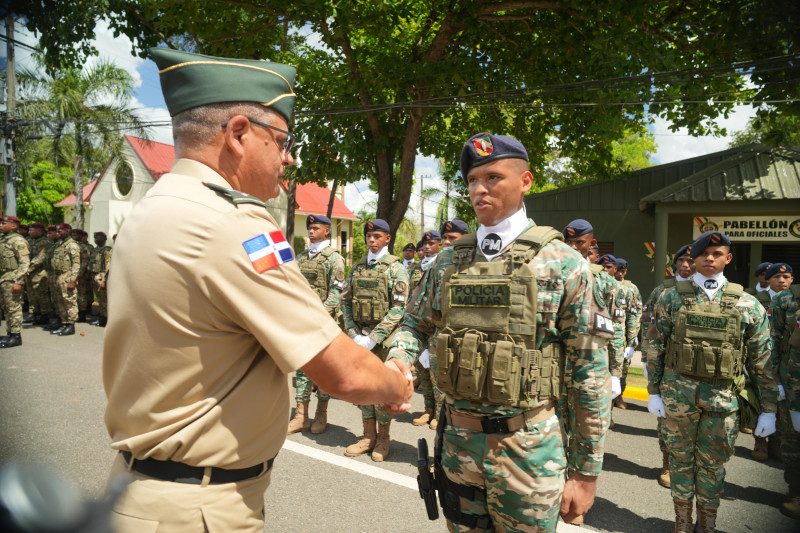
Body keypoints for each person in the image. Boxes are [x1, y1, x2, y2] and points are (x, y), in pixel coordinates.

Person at [102, 48, 413, 533]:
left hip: (140, 493)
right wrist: (397, 383)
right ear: (239, 134)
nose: (288, 158)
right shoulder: (231, 223)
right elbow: (342, 374)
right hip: (196, 509)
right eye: (283, 141)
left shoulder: (152, 209)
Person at [388, 132, 611, 532]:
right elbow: (412, 324)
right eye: (472, 180)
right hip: (458, 447)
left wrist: (586, 470)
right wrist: (398, 359)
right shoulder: (447, 262)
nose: (479, 188)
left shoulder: (563, 263)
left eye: (492, 177)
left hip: (529, 448)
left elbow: (590, 371)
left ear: (525, 181)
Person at [646, 230, 779, 532]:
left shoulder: (748, 305)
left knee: (712, 465)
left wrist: (769, 409)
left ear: (728, 259)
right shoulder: (670, 297)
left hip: (723, 401)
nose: (710, 258)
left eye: (717, 254)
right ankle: (682, 523)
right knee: (680, 461)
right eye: (704, 253)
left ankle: (707, 525)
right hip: (678, 398)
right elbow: (655, 346)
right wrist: (653, 392)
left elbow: (762, 362)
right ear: (692, 258)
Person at [561, 218, 618, 526]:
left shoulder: (604, 280)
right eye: (570, 242)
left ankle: (578, 496)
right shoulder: (555, 272)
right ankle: (560, 489)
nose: (574, 246)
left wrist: (617, 371)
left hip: (589, 368)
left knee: (587, 433)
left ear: (590, 244)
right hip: (558, 368)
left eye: (580, 243)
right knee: (558, 431)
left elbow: (616, 327)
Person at [340, 218, 410, 461]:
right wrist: (353, 334)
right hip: (359, 339)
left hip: (382, 341)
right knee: (363, 389)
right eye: (368, 237)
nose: (371, 240)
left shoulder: (396, 269)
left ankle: (383, 439)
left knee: (380, 391)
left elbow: (398, 310)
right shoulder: (357, 269)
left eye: (377, 237)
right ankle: (367, 436)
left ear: (387, 239)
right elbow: (345, 302)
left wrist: (373, 338)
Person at [640, 244, 694, 489]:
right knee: (668, 423)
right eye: (681, 260)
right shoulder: (663, 291)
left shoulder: (709, 292)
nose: (686, 265)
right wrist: (645, 358)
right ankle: (668, 463)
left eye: (691, 261)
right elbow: (650, 327)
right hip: (672, 370)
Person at [288, 214, 346, 435]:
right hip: (304, 322)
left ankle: (321, 414)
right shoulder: (302, 258)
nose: (311, 231)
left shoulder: (334, 259)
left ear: (327, 232)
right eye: (309, 228)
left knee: (323, 370)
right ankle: (301, 416)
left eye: (316, 228)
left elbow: (336, 292)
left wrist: (319, 315)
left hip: (324, 323)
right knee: (304, 368)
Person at [769, 281, 800, 520]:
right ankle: (796, 493)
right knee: (792, 441)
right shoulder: (785, 299)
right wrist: (776, 381)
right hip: (793, 384)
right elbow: (773, 340)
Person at [409, 230, 442, 429]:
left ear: (439, 246)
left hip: (436, 328)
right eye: (425, 245)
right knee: (424, 373)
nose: (427, 247)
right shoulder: (415, 269)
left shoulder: (443, 266)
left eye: (432, 244)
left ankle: (439, 413)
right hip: (420, 328)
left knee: (437, 376)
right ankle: (428, 409)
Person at [613, 257, 642, 409]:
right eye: (618, 269)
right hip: (605, 336)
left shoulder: (631, 288)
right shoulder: (605, 284)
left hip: (621, 337)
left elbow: (634, 314)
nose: (620, 273)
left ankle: (619, 396)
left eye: (623, 270)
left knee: (623, 368)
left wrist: (632, 339)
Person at [0, 216, 30, 348]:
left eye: (3, 223)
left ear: (13, 226)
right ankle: (10, 333)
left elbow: (25, 264)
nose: (0, 225)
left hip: (12, 278)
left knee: (14, 308)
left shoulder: (18, 240)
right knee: (6, 308)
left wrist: (18, 281)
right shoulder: (3, 239)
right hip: (3, 278)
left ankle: (16, 336)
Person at [49, 223, 80, 336]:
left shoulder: (72, 245)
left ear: (67, 231)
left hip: (67, 276)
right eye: (57, 231)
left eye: (60, 231)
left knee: (69, 302)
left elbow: (76, 264)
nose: (57, 233)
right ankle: (64, 322)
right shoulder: (60, 245)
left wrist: (72, 280)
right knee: (59, 301)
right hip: (58, 276)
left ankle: (70, 325)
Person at [25, 222, 51, 326]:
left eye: (31, 230)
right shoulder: (30, 241)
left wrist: (28, 269)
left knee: (41, 296)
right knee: (32, 296)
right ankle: (35, 315)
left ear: (39, 231)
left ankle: (44, 316)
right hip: (30, 273)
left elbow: (40, 258)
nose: (29, 232)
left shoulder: (44, 242)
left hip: (40, 273)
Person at [87, 231, 112, 327]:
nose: (96, 239)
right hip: (95, 276)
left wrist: (105, 281)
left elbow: (108, 266)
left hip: (102, 276)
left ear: (104, 239)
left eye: (99, 237)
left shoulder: (107, 250)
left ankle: (106, 319)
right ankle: (102, 318)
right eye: (95, 237)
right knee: (100, 300)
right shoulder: (95, 250)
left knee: (104, 300)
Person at [74, 229, 93, 323]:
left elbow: (84, 263)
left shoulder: (84, 247)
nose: (73, 235)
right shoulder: (73, 245)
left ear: (81, 236)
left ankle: (82, 314)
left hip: (82, 275)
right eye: (72, 234)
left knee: (81, 294)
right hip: (73, 274)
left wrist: (80, 275)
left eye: (76, 234)